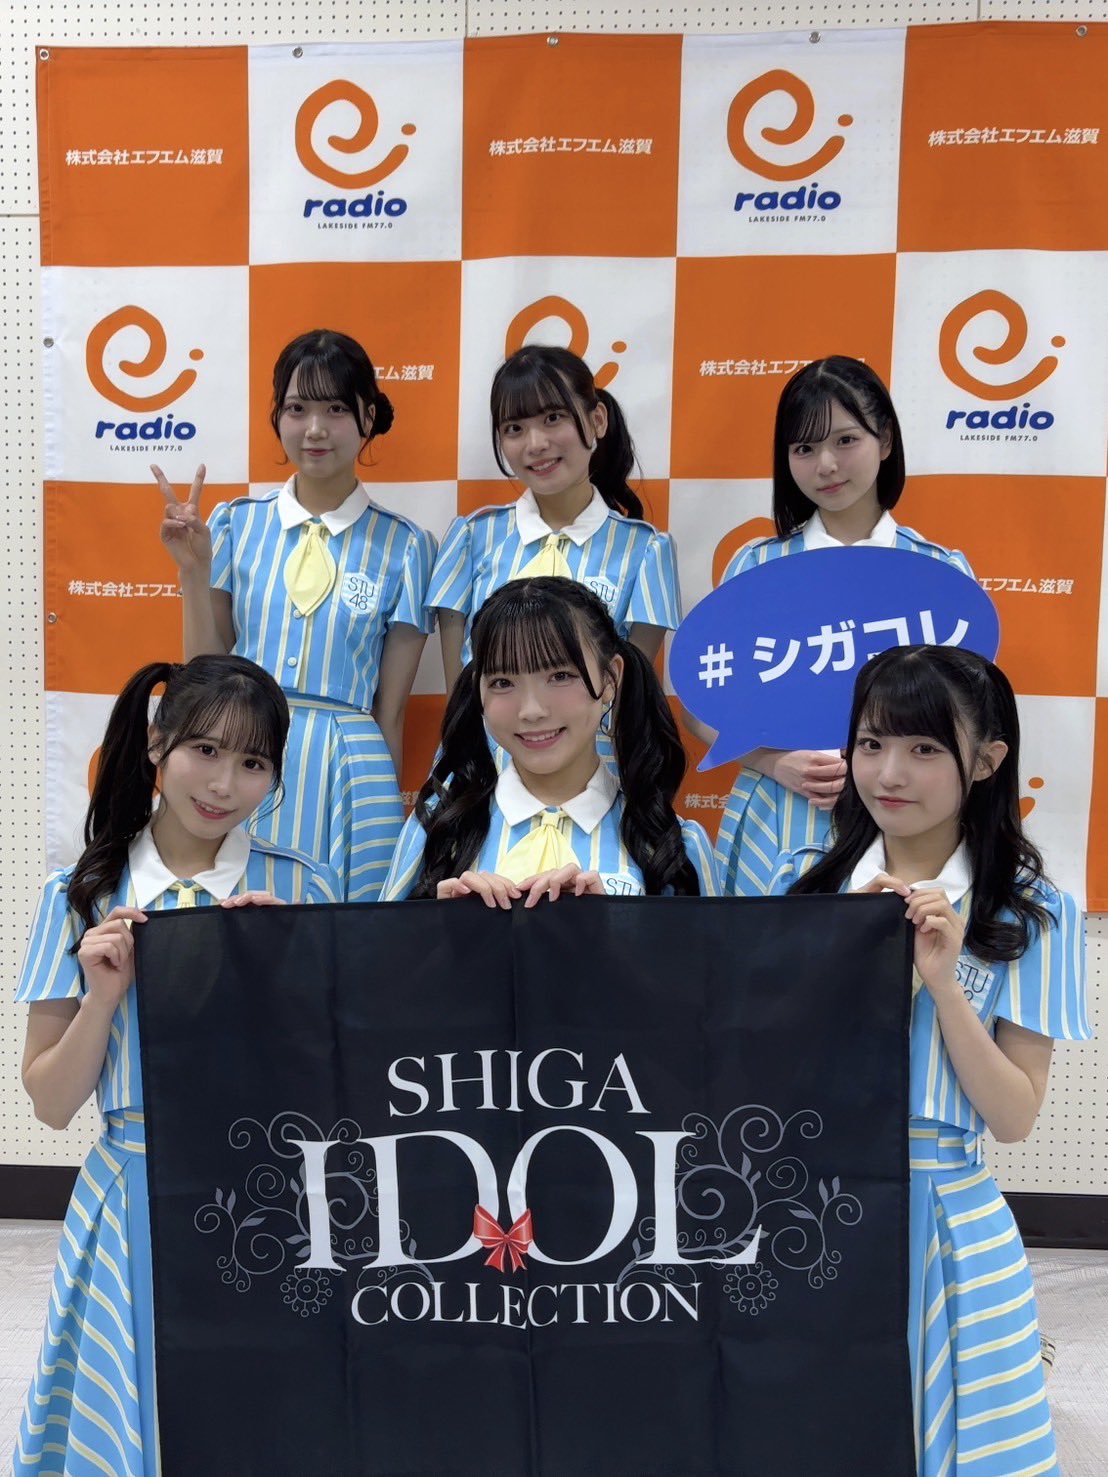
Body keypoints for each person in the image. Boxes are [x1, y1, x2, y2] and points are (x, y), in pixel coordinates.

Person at [13, 655, 339, 1477]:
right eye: (205, 749)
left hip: (269, 1198)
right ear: (158, 742)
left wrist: (285, 970)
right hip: (132, 1198)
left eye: (253, 761)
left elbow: (336, 1082)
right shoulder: (79, 893)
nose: (225, 784)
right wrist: (103, 997)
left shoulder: (303, 889)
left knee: (258, 1418)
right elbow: (50, 1101)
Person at [770, 645, 1090, 1477]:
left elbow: (1013, 1117)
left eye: (923, 748)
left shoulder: (1031, 911)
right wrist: (837, 961)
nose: (889, 772)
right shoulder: (804, 885)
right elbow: (765, 1076)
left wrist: (944, 985)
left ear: (986, 760)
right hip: (813, 1210)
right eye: (871, 743)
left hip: (952, 1220)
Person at [154, 328, 436, 901]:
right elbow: (206, 675)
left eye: (336, 409)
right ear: (277, 417)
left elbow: (392, 708)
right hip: (247, 752)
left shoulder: (407, 544)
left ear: (368, 417)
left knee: (348, 926)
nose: (314, 429)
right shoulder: (235, 524)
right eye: (297, 408)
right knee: (237, 909)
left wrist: (383, 807)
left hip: (351, 764)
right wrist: (193, 572)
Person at [711, 356, 974, 897]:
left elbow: (967, 721)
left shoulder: (940, 575)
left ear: (885, 440)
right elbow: (701, 701)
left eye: (846, 440)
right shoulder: (756, 567)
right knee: (763, 952)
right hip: (774, 818)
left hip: (902, 826)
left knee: (892, 951)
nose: (826, 465)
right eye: (804, 448)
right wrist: (772, 761)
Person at [381, 577, 717, 902]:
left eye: (560, 676)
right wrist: (441, 925)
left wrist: (617, 925)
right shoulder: (434, 833)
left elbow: (706, 944)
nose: (531, 710)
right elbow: (382, 942)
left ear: (610, 678)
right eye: (502, 682)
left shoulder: (674, 846)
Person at [428, 345, 680, 692]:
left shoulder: (646, 550)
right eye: (514, 428)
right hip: (487, 730)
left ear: (597, 420)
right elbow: (459, 696)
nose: (535, 444)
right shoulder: (471, 539)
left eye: (553, 418)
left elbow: (628, 697)